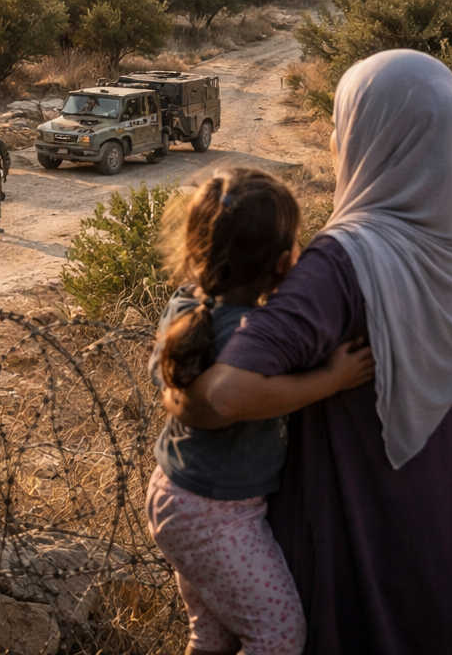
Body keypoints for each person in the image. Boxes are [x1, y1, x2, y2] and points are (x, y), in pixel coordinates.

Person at [166, 49, 452, 655]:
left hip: (362, 544)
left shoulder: (340, 264)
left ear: (363, 139)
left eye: (339, 125)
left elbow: (221, 395)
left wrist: (182, 399)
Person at [149, 167, 374, 655]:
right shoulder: (251, 338)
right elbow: (243, 396)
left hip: (180, 495)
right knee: (279, 634)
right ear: (283, 264)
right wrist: (332, 379)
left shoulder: (186, 304)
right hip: (214, 513)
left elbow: (166, 380)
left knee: (212, 635)